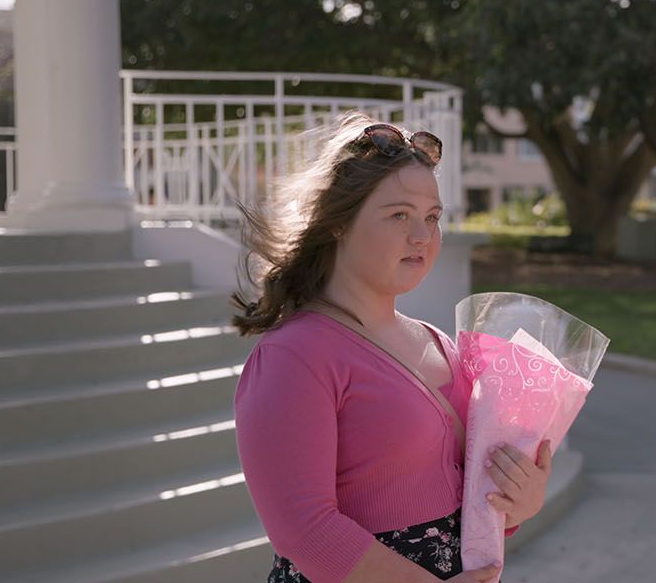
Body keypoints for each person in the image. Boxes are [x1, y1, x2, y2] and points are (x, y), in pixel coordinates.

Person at [231, 112, 552, 582]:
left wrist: (520, 498)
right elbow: (305, 531)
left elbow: (471, 497)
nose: (422, 236)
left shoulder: (439, 343)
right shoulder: (293, 356)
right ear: (338, 222)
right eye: (399, 214)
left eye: (432, 217)